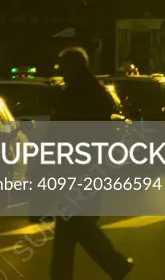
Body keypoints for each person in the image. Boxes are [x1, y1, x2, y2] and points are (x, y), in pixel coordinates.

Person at [50, 48, 134, 280]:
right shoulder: (93, 92)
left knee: (72, 227)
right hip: (87, 167)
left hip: (77, 168)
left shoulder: (78, 95)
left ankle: (113, 264)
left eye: (64, 67)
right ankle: (114, 264)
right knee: (76, 226)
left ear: (75, 67)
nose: (62, 72)